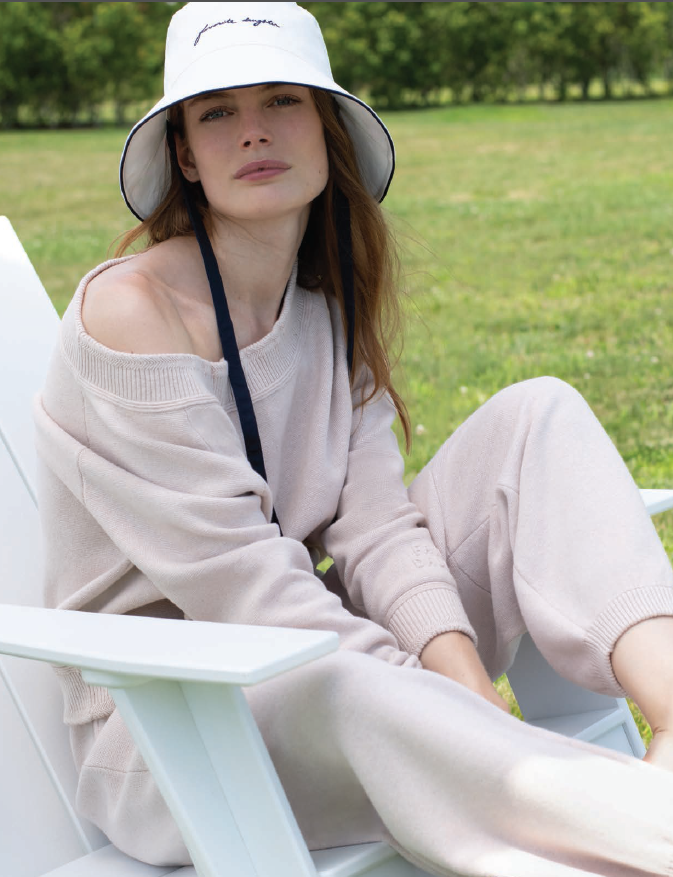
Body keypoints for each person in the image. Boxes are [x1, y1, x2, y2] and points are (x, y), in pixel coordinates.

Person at [33, 2, 673, 875]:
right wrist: (459, 712)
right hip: (173, 731)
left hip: (323, 670)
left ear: (326, 129)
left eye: (281, 100)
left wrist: (463, 685)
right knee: (345, 678)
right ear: (184, 155)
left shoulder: (325, 313)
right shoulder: (131, 314)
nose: (252, 131)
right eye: (217, 112)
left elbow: (378, 531)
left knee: (539, 413)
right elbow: (245, 589)